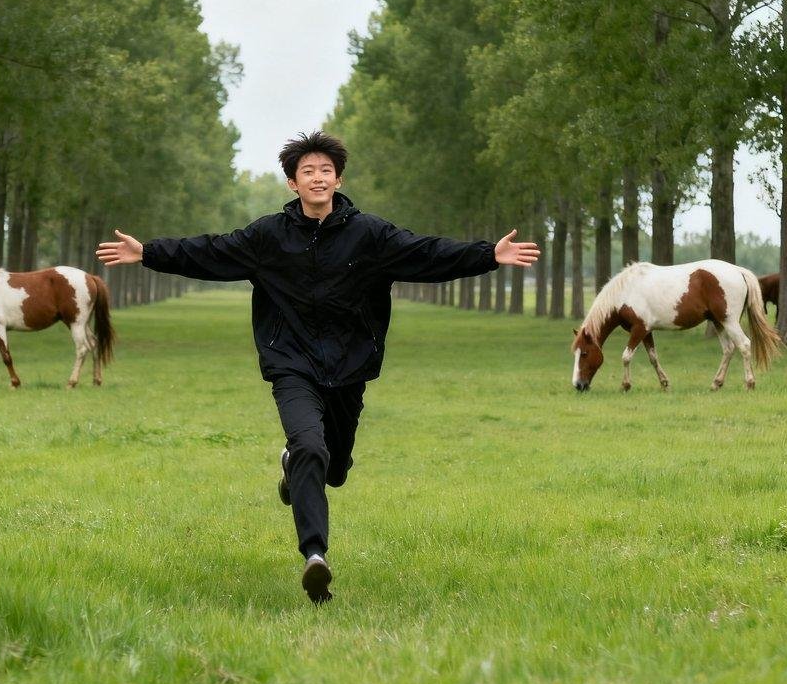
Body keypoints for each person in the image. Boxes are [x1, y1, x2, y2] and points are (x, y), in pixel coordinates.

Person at [96, 131, 540, 604]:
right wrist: (148, 253)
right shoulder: (267, 237)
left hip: (349, 367)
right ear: (293, 183)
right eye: (307, 171)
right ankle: (315, 556)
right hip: (291, 363)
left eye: (325, 170)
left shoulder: (369, 234)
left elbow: (426, 253)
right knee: (309, 445)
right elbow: (211, 251)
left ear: (338, 179)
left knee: (335, 466)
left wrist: (488, 255)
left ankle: (296, 470)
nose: (317, 178)